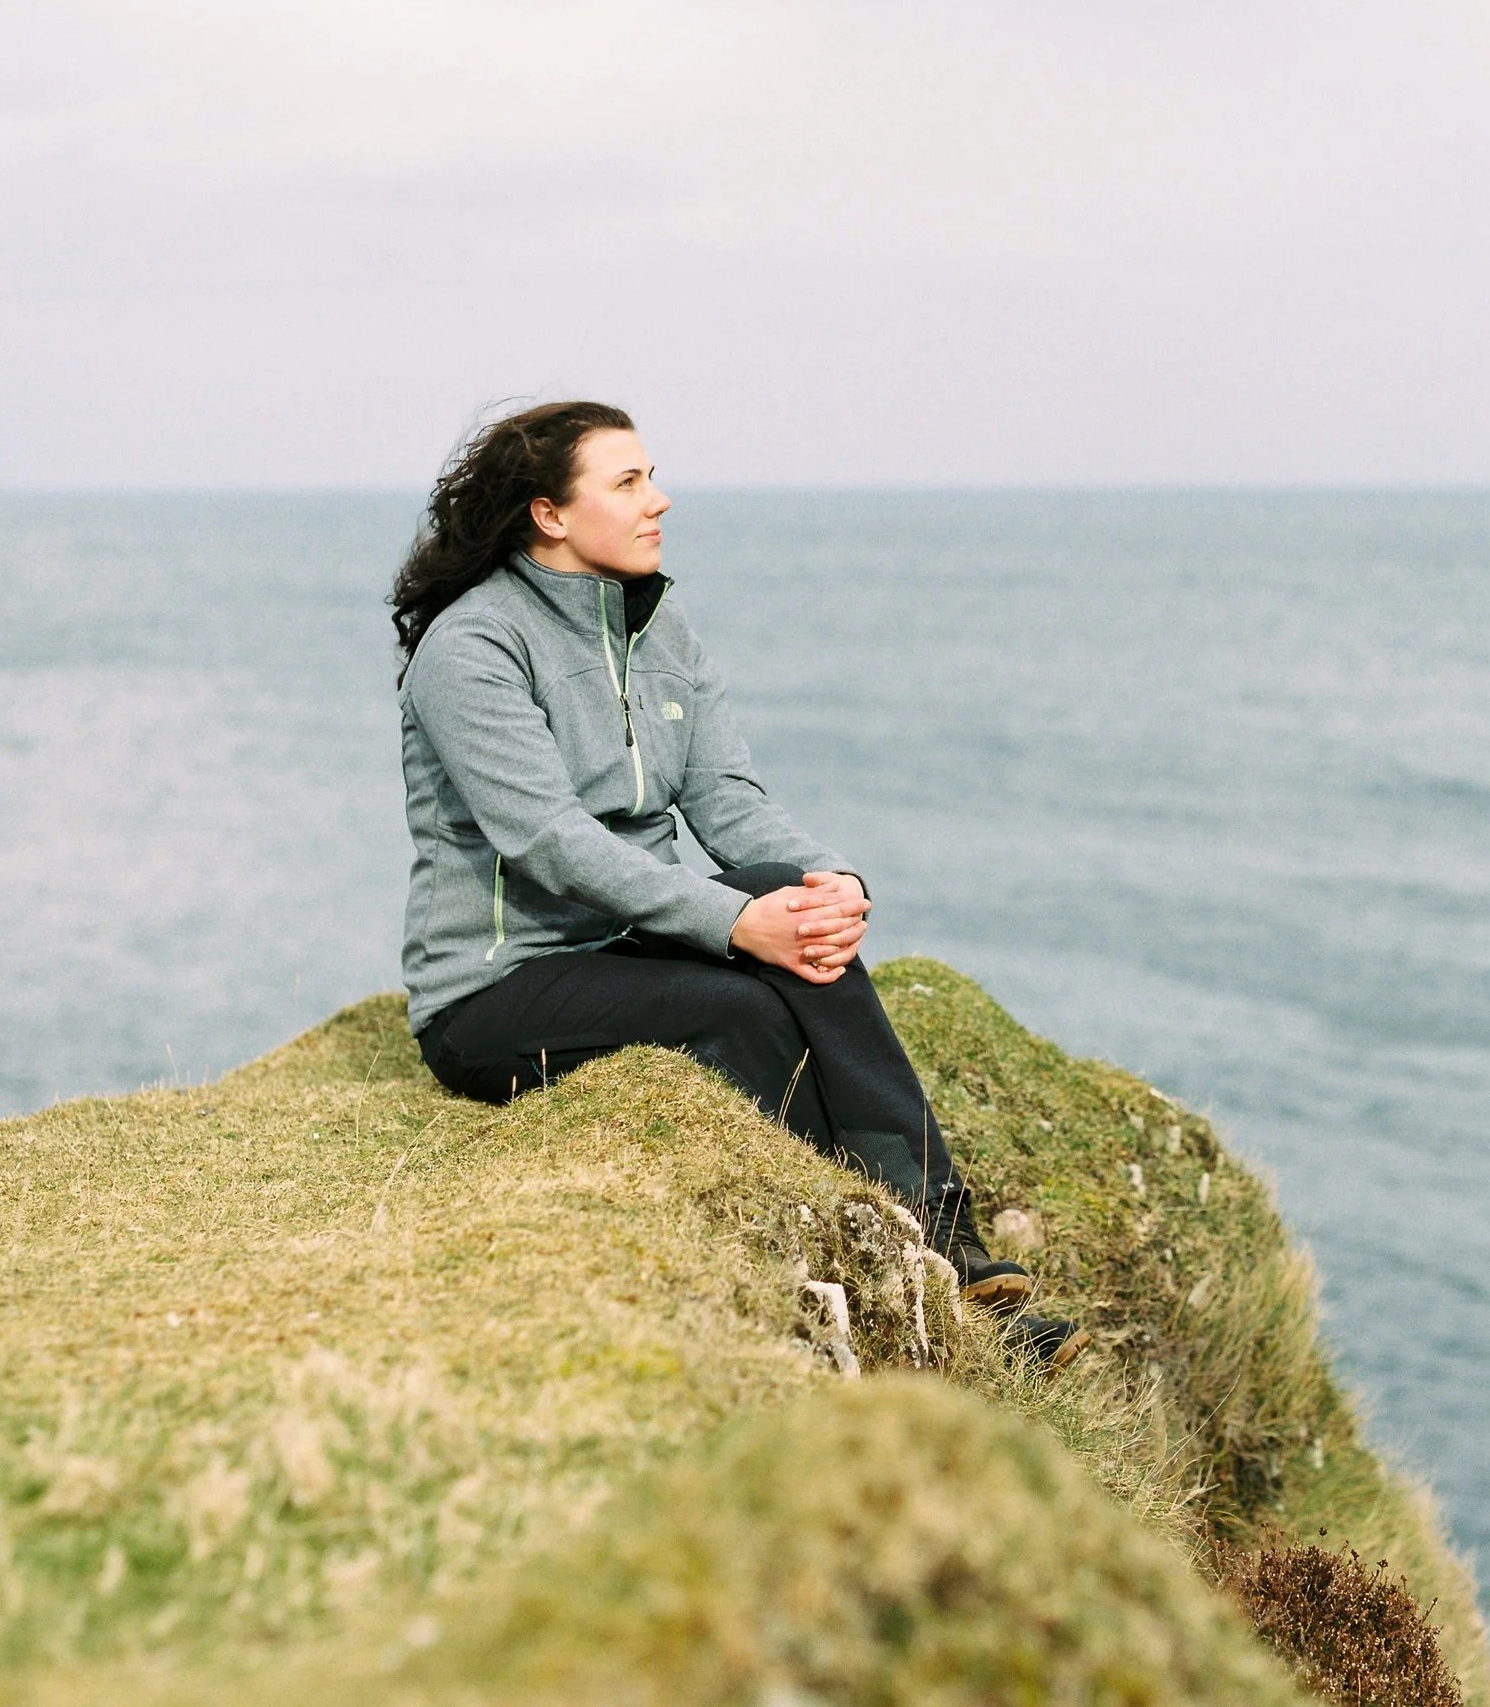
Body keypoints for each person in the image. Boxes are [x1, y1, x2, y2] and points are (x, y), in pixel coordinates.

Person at [391, 400, 1084, 1368]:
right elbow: (548, 839)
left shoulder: (655, 622)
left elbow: (724, 794)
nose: (658, 500)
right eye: (627, 482)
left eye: (650, 476)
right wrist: (732, 922)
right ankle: (887, 1281)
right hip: (498, 988)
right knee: (743, 1009)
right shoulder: (472, 650)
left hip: (621, 946)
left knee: (795, 918)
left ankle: (944, 1236)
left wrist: (825, 881)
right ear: (549, 512)